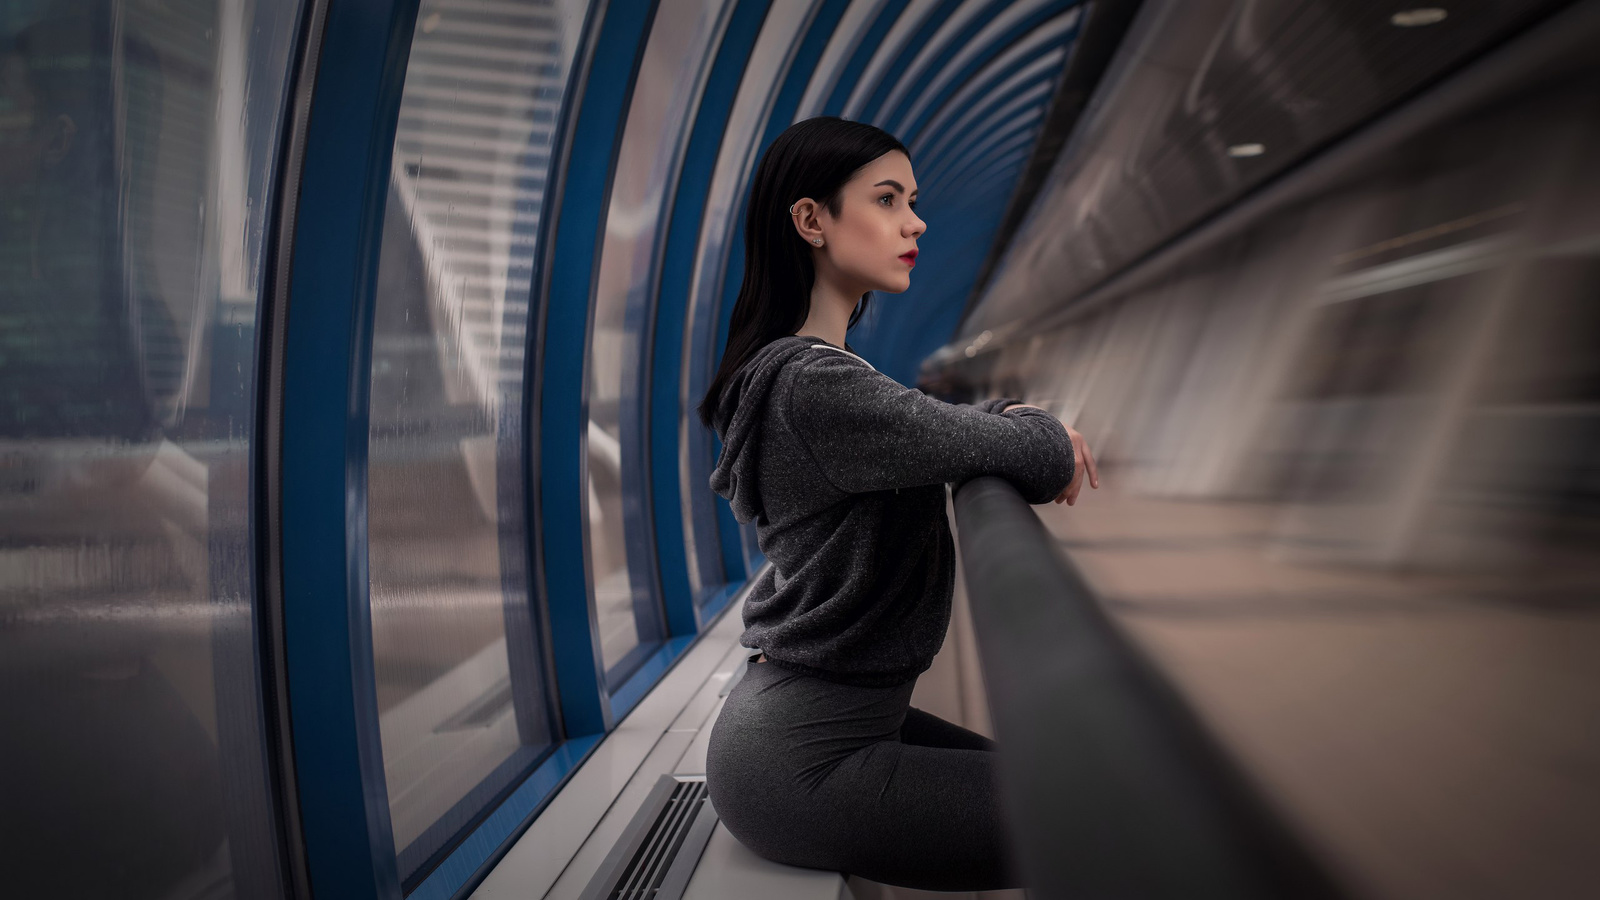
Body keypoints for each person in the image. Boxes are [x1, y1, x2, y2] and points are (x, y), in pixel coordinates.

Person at [699, 116, 1098, 891]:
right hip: (805, 757)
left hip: (817, 726)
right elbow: (1027, 452)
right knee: (1100, 824)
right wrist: (1032, 427)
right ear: (812, 220)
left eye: (911, 200)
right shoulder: (816, 385)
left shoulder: (814, 375)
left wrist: (1002, 423)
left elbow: (942, 431)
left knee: (1086, 796)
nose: (914, 221)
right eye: (886, 199)